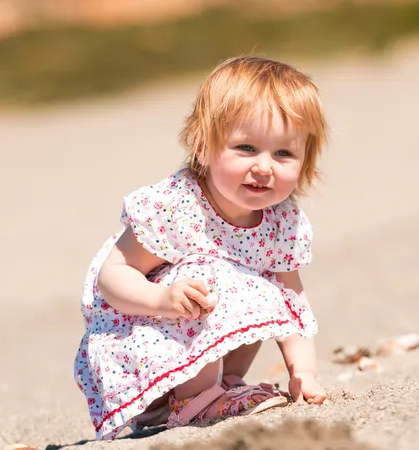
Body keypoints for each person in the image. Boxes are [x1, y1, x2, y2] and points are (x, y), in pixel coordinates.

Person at [74, 55, 329, 440]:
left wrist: (303, 371)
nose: (264, 167)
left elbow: (292, 301)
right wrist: (161, 299)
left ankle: (225, 384)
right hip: (144, 342)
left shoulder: (280, 221)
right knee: (213, 276)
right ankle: (195, 398)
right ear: (202, 146)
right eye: (246, 148)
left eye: (284, 154)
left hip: (196, 343)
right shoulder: (179, 208)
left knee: (266, 286)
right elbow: (112, 276)